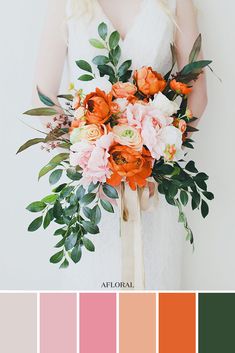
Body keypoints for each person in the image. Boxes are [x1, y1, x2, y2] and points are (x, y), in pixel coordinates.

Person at [33, 0, 207, 290]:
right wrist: (90, 160)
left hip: (153, 191)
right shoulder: (66, 3)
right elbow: (45, 100)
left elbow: (197, 96)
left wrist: (155, 159)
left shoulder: (176, 3)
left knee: (155, 311)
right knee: (91, 313)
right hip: (91, 194)